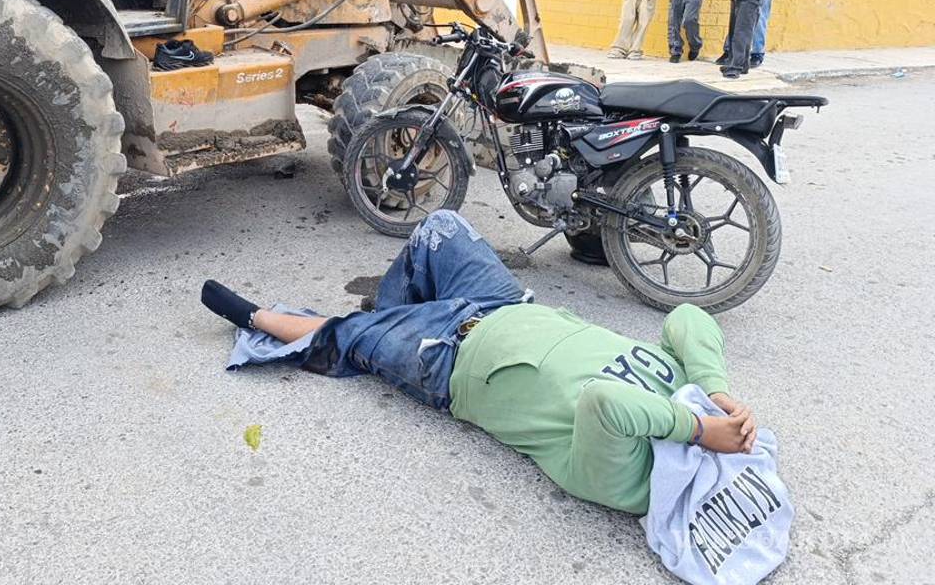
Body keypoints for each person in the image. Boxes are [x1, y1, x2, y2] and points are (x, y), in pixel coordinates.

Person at [202, 210, 757, 516]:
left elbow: (605, 401)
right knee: (441, 227)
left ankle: (263, 320)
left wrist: (701, 431)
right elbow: (688, 317)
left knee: (347, 334)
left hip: (448, 358)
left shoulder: (631, 484)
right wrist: (717, 391)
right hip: (505, 305)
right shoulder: (692, 396)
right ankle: (394, 318)